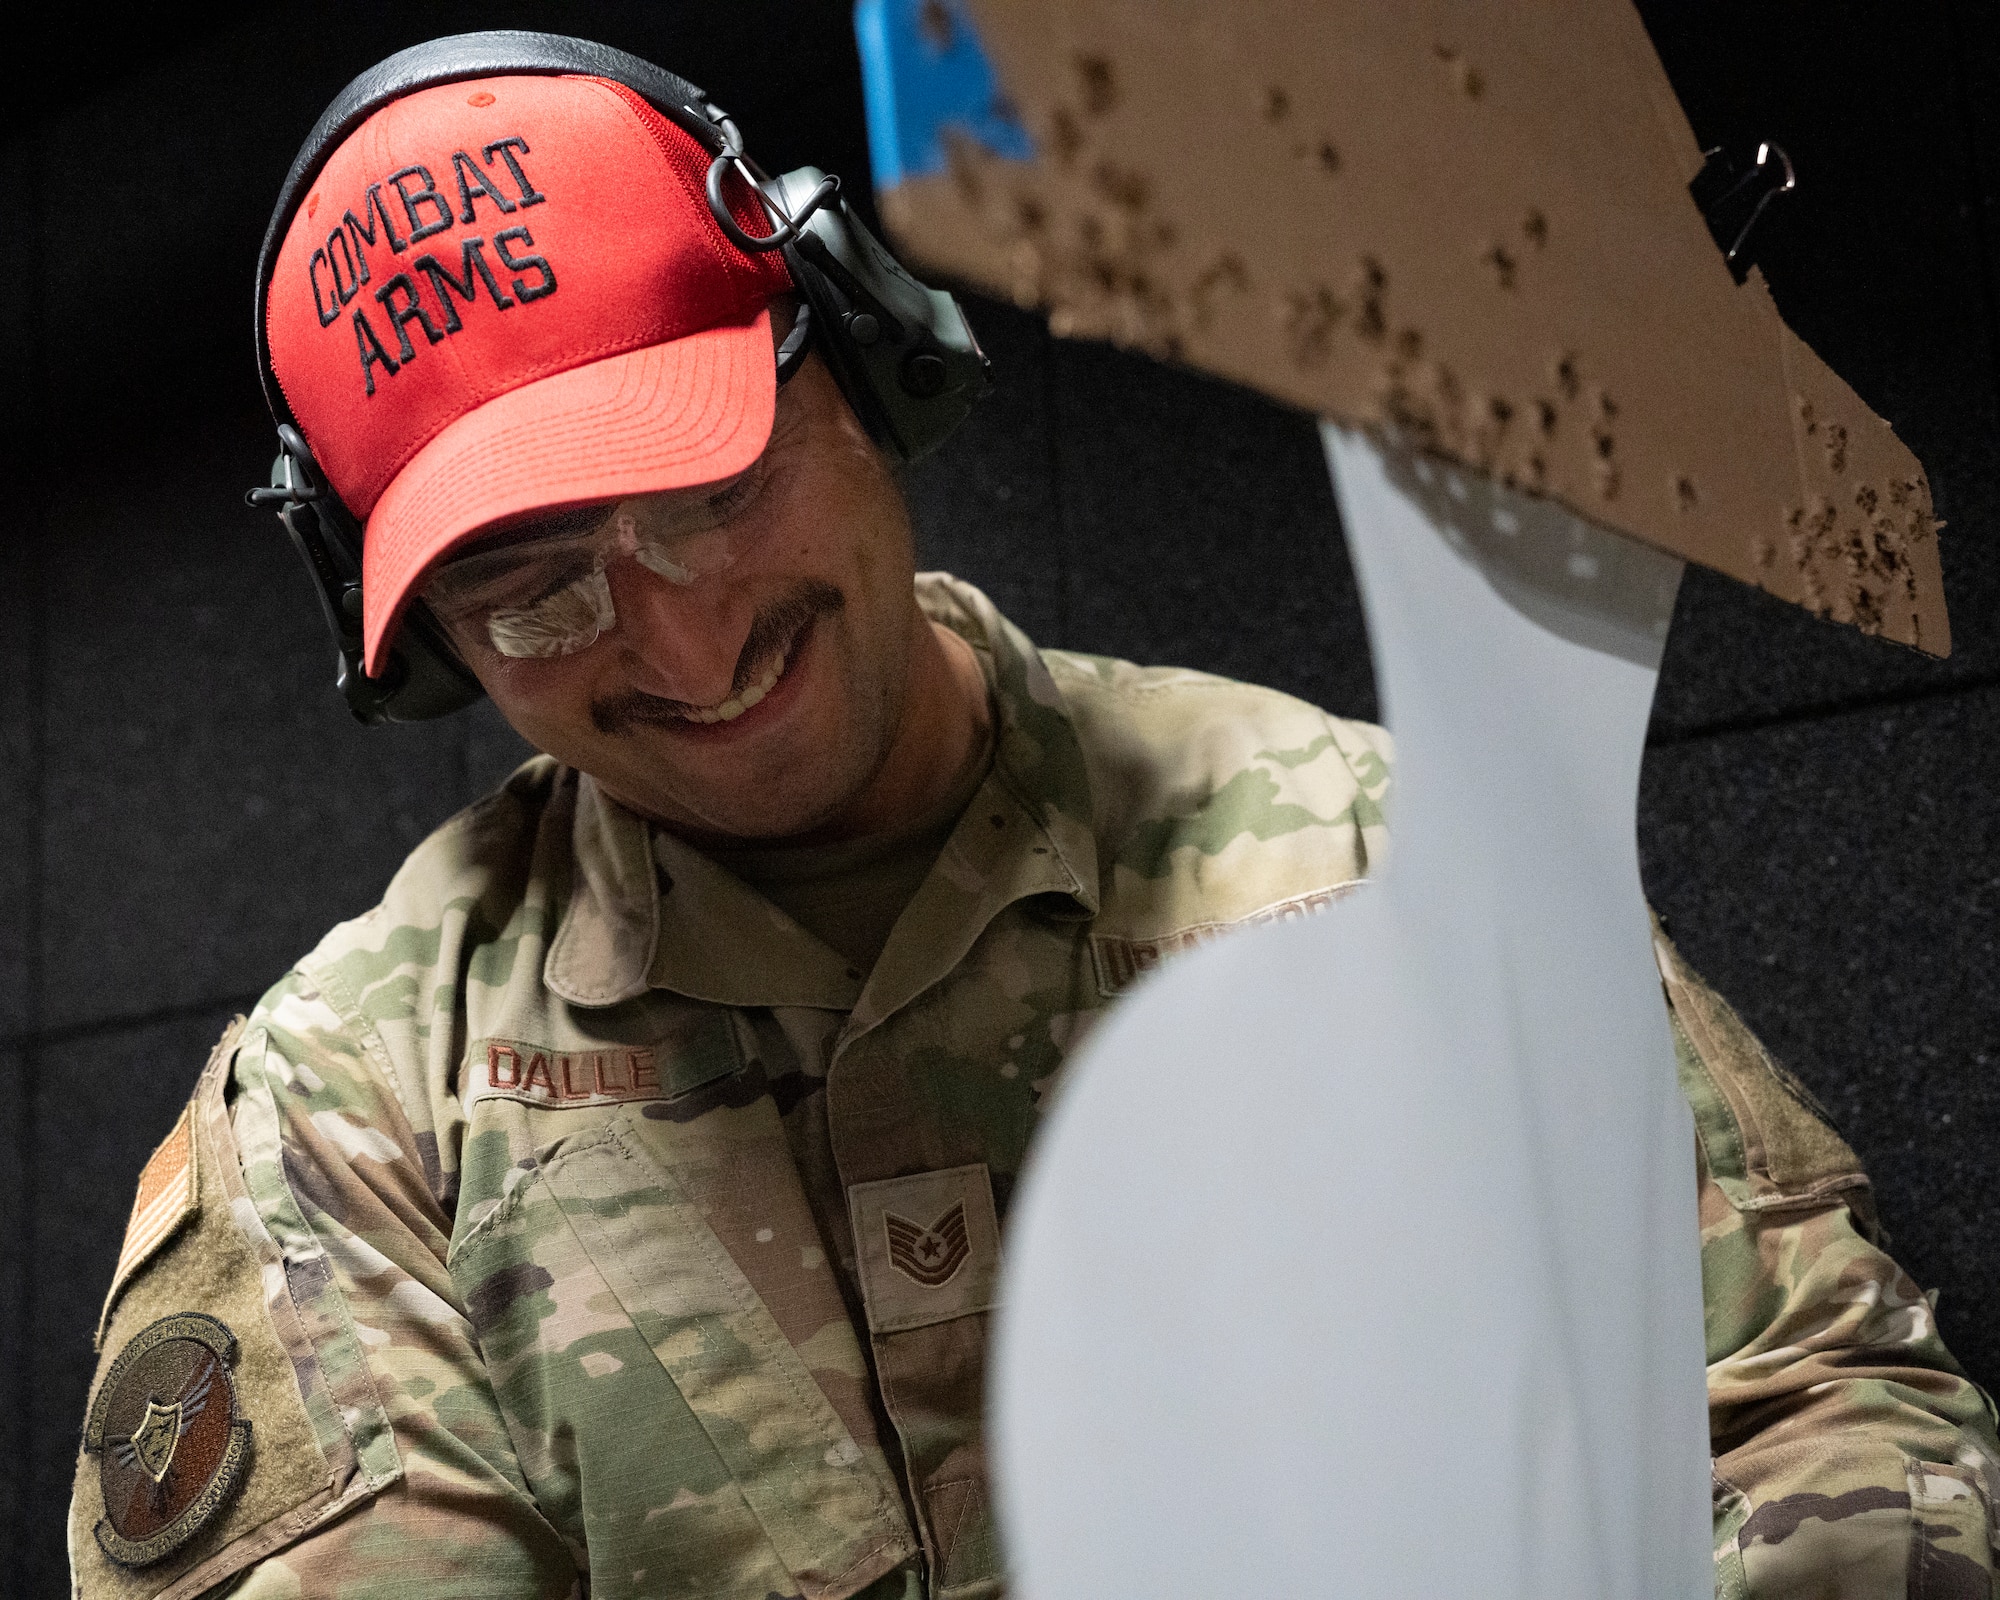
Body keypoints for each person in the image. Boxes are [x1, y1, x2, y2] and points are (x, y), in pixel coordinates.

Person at [70, 38, 1997, 1600]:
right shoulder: (357, 1116)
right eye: (533, 592)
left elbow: (1818, 1411)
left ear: (865, 364)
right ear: (419, 646)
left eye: (707, 487)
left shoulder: (1386, 865)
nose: (679, 634)